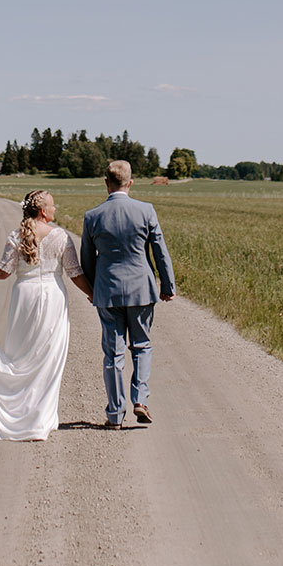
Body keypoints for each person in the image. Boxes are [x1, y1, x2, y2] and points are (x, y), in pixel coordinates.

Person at [0, 189, 93, 441]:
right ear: (44, 211)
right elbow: (75, 273)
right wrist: (92, 294)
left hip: (24, 298)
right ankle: (39, 420)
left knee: (21, 356)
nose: (56, 209)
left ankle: (19, 414)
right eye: (53, 206)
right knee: (48, 358)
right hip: (53, 299)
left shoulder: (17, 235)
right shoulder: (60, 236)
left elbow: (3, 272)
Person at [78, 159, 175, 428]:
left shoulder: (93, 216)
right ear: (130, 183)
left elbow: (87, 259)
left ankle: (114, 414)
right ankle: (140, 399)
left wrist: (93, 290)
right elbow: (159, 251)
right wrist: (167, 286)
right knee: (142, 345)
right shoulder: (146, 211)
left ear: (106, 184)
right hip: (141, 290)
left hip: (107, 292)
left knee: (113, 354)